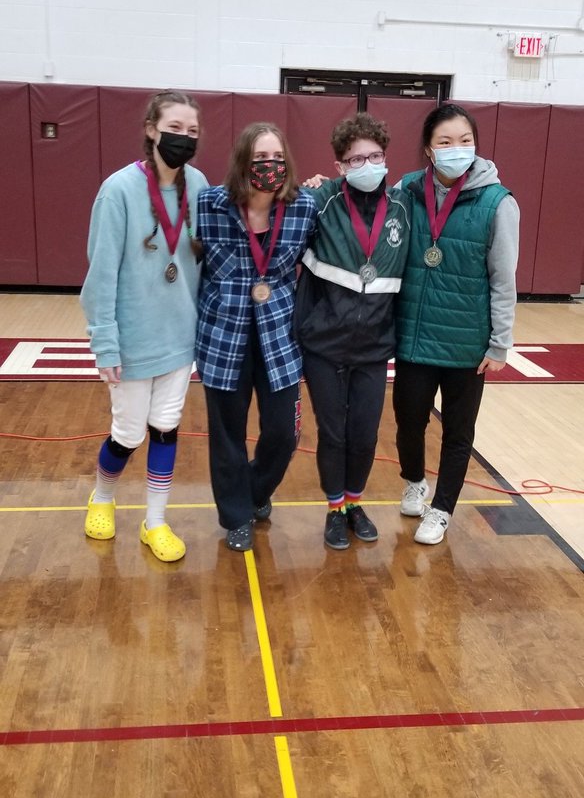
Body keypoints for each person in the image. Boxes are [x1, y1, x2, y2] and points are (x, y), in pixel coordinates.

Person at [81, 89, 208, 561]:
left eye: (192, 131)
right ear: (152, 130)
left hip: (180, 337)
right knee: (129, 434)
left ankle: (155, 522)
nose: (184, 138)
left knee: (166, 427)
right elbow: (100, 274)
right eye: (175, 128)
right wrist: (105, 344)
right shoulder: (118, 190)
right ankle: (103, 496)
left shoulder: (199, 184)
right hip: (133, 340)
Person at [393, 102, 520, 545]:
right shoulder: (406, 190)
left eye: (465, 141)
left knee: (458, 431)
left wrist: (500, 343)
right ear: (429, 148)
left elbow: (504, 279)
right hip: (413, 334)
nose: (456, 149)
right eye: (445, 142)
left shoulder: (497, 202)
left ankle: (442, 509)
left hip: (468, 342)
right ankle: (414, 482)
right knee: (408, 422)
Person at [195, 122, 317, 552]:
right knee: (226, 434)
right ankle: (235, 516)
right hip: (223, 336)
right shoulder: (209, 204)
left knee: (284, 433)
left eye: (278, 159)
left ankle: (255, 489)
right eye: (261, 159)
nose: (270, 167)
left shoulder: (304, 207)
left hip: (279, 336)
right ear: (244, 162)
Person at [296, 112, 411, 550]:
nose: (368, 165)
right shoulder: (319, 198)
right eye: (356, 159)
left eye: (376, 156)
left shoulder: (403, 208)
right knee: (334, 433)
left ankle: (354, 503)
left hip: (374, 345)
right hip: (323, 343)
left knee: (364, 434)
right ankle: (332, 508)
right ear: (340, 165)